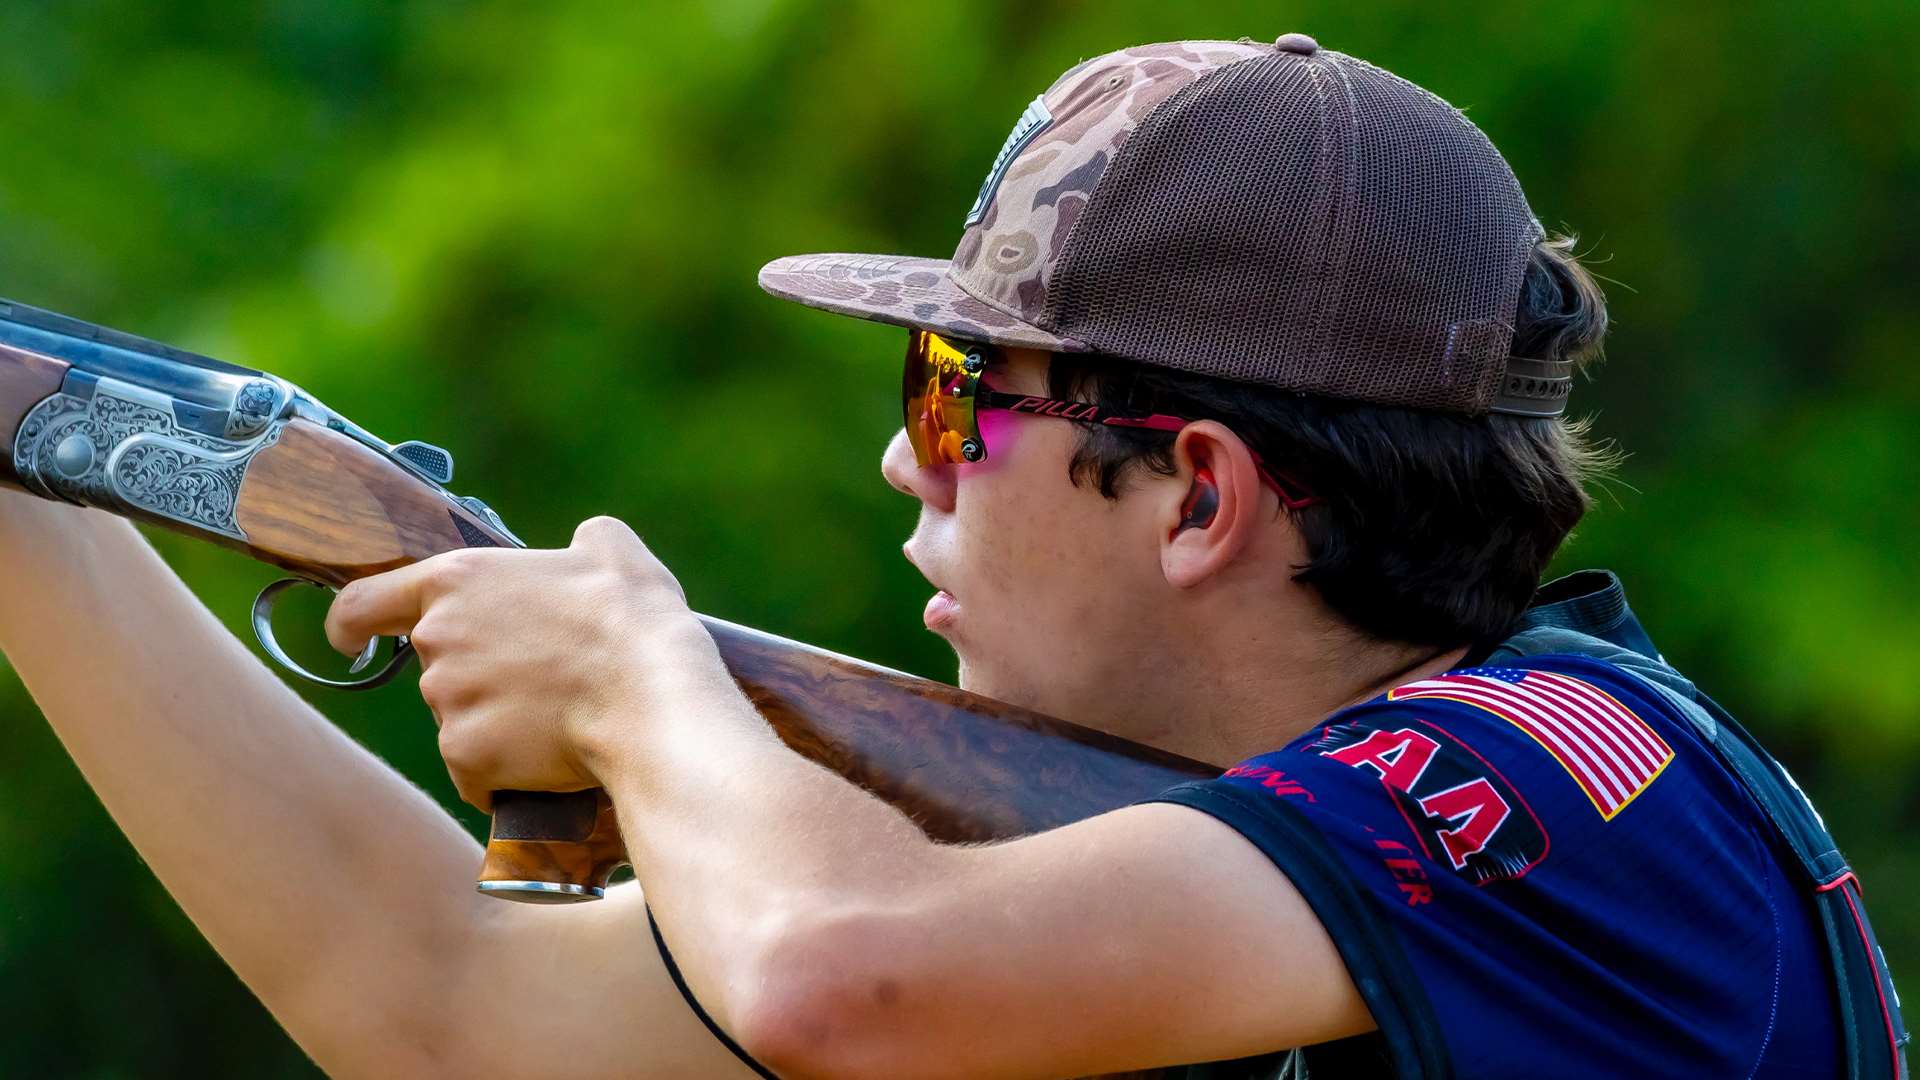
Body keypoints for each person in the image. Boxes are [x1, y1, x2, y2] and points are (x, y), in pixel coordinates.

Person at [0, 34, 1905, 1079]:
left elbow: (835, 977)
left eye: (952, 393)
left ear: (1200, 496)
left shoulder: (1560, 777)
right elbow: (436, 1003)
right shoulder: (1210, 878)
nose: (900, 458)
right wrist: (29, 503)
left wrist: (638, 673)